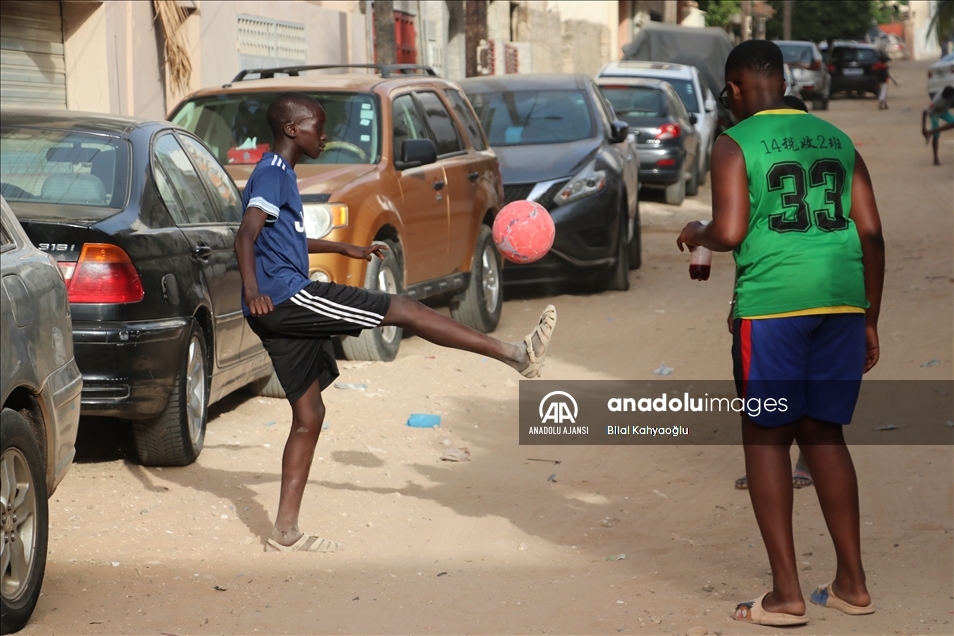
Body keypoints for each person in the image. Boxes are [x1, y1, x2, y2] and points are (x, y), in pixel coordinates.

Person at [235, 92, 557, 553]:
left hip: (277, 303)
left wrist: (346, 249)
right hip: (286, 299)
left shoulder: (281, 172)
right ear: (291, 129)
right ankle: (515, 354)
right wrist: (252, 289)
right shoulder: (270, 173)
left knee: (310, 414)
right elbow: (246, 234)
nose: (324, 136)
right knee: (404, 309)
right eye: (317, 127)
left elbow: (280, 240)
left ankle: (285, 532)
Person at [678, 40, 884, 626]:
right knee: (824, 433)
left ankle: (787, 596)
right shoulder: (838, 141)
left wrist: (697, 231)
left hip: (773, 311)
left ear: (736, 89)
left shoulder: (734, 143)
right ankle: (852, 584)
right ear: (784, 78)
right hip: (842, 302)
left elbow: (732, 229)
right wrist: (868, 315)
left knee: (767, 436)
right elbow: (871, 234)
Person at [733, 94, 813, 492]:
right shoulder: (823, 155)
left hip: (776, 302)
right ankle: (780, 461)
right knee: (814, 409)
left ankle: (778, 461)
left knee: (771, 405)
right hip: (831, 301)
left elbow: (733, 233)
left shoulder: (743, 149)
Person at [922, 86, 954, 165]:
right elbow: (925, 112)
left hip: (944, 112)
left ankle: (932, 131)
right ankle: (935, 158)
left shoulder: (952, 94)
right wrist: (923, 128)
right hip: (934, 113)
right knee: (936, 136)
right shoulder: (937, 100)